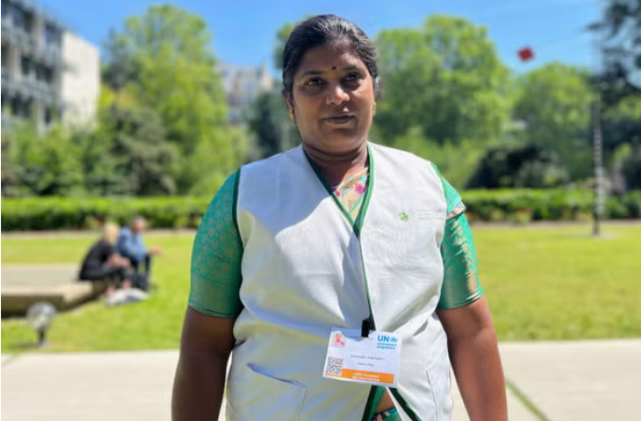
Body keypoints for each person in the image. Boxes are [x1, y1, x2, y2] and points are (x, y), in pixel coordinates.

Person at [172, 14, 507, 421]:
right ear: (289, 103)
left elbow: (471, 330)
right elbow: (203, 345)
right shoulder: (244, 197)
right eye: (314, 82)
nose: (337, 96)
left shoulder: (429, 187)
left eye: (352, 78)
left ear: (375, 91)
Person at [79, 222, 132, 298]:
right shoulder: (107, 245)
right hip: (91, 274)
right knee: (119, 269)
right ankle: (125, 289)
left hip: (85, 273)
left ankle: (113, 291)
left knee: (112, 270)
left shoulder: (100, 243)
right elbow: (116, 261)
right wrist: (125, 262)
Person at [116, 216, 162, 284]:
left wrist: (149, 251)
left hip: (133, 258)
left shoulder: (137, 234)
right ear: (134, 225)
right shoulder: (125, 234)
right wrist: (146, 251)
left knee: (147, 256)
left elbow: (141, 248)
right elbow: (128, 251)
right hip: (124, 259)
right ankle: (138, 281)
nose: (142, 229)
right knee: (145, 255)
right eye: (141, 227)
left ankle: (145, 281)